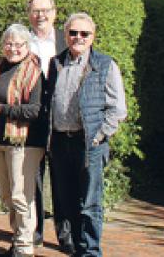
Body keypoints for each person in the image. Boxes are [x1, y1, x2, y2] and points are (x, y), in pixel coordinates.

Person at [48, 13, 127, 257]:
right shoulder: (56, 63)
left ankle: (91, 251)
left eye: (84, 34)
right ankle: (76, 247)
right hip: (61, 142)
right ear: (65, 35)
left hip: (89, 142)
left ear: (93, 37)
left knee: (90, 203)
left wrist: (101, 134)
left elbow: (117, 107)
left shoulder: (105, 64)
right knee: (67, 199)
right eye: (73, 33)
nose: (78, 38)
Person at [0, 25, 44, 257]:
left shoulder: (33, 71)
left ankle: (24, 246)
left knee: (21, 195)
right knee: (6, 194)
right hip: (2, 141)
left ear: (27, 46)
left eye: (18, 44)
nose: (13, 48)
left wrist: (1, 109)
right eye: (9, 43)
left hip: (25, 142)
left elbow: (34, 110)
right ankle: (18, 239)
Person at [25, 0, 68, 251]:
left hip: (59, 118)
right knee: (34, 179)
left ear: (55, 12)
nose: (40, 15)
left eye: (45, 10)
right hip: (31, 119)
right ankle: (35, 232)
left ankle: (65, 235)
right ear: (29, 14)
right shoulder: (21, 41)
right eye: (35, 11)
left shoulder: (66, 39)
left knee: (61, 179)